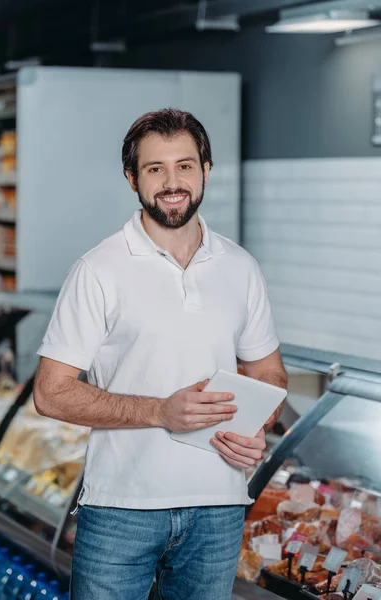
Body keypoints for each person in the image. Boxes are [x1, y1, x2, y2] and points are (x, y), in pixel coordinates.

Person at [34, 108, 287, 600]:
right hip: (121, 509)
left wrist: (259, 425)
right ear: (132, 179)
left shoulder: (241, 267)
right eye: (155, 169)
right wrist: (159, 411)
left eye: (185, 166)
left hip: (219, 507)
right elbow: (50, 393)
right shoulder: (98, 269)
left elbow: (270, 374)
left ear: (206, 170)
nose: (173, 182)